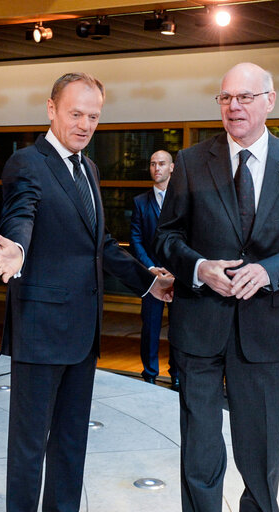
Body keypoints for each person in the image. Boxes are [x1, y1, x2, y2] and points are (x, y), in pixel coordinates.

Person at [0, 72, 173, 512]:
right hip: (41, 328)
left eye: (93, 116)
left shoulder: (88, 167)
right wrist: (17, 249)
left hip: (84, 331)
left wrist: (149, 280)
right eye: (75, 114)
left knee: (71, 443)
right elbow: (20, 215)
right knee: (30, 447)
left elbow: (101, 244)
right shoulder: (27, 163)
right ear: (51, 110)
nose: (85, 124)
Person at [155, 63, 279, 512]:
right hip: (199, 324)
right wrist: (199, 267)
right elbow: (167, 236)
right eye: (225, 98)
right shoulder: (193, 161)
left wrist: (269, 271)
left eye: (245, 97)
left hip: (265, 328)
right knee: (199, 448)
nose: (234, 106)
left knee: (258, 449)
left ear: (269, 101)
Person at [130, 150, 179, 390]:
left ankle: (177, 373)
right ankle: (149, 373)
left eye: (161, 164)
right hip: (152, 277)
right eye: (152, 164)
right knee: (150, 326)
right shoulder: (140, 202)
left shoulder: (182, 199)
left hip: (178, 275)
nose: (156, 168)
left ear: (172, 168)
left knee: (179, 328)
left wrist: (178, 268)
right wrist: (150, 267)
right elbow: (136, 239)